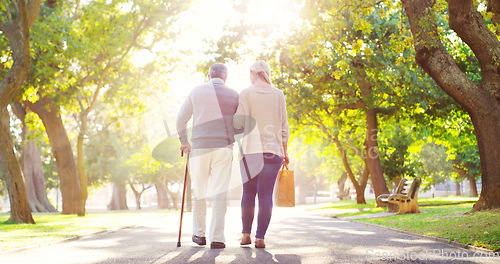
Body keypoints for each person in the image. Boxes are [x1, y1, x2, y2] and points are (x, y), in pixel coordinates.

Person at [176, 63, 239, 249]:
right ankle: (218, 238)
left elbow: (180, 119)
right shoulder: (234, 94)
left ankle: (199, 234)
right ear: (225, 78)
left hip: (200, 148)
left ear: (209, 76)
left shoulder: (196, 91)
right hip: (223, 149)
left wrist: (184, 141)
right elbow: (241, 124)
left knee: (200, 192)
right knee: (220, 193)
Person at [233, 60, 290, 248]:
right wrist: (285, 151)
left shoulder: (246, 93)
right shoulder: (278, 95)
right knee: (265, 195)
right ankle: (260, 238)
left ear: (252, 72)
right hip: (273, 151)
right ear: (266, 73)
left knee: (248, 192)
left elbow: (237, 123)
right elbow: (284, 127)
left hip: (250, 151)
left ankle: (245, 235)